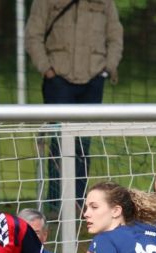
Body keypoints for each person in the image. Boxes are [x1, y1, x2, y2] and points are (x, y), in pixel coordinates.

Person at [25, 0, 123, 207]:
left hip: (93, 78)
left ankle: (79, 203)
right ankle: (56, 203)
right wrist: (47, 70)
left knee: (83, 144)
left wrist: (107, 69)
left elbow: (115, 35)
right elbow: (33, 35)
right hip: (58, 80)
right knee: (59, 142)